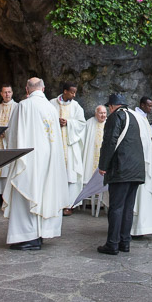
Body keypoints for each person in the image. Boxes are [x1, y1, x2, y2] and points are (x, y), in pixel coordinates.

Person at [1, 77, 66, 250]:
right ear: (43, 89)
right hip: (49, 159)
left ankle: (27, 237)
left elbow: (13, 134)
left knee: (27, 194)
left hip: (28, 158)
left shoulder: (23, 106)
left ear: (27, 89)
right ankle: (40, 234)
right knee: (43, 194)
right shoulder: (51, 108)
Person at [96, 94, 145, 255]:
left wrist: (103, 165)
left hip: (121, 169)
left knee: (116, 207)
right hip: (136, 170)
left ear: (111, 106)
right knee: (128, 208)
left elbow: (110, 141)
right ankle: (125, 242)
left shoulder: (115, 117)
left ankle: (112, 244)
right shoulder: (134, 117)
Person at [127, 103, 152, 236]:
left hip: (144, 161)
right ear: (142, 105)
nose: (151, 108)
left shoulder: (141, 119)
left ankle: (141, 227)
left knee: (143, 196)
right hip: (140, 162)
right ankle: (137, 228)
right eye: (149, 106)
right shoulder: (137, 117)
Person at [49, 82, 86, 216]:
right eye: (71, 92)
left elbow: (82, 124)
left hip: (70, 146)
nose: (74, 95)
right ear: (64, 91)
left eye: (75, 92)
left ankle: (69, 205)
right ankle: (53, 203)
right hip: (55, 146)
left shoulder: (76, 107)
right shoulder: (51, 104)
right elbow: (44, 120)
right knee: (54, 175)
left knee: (71, 175)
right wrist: (55, 122)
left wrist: (68, 123)